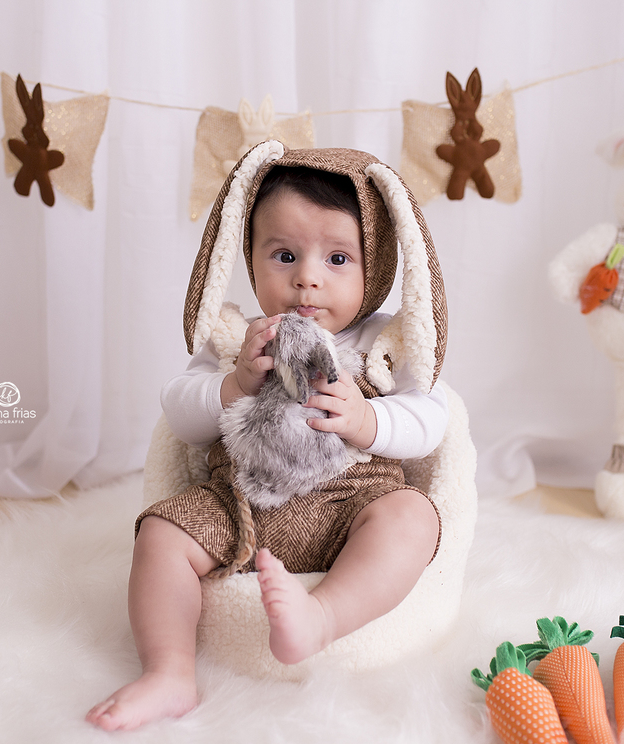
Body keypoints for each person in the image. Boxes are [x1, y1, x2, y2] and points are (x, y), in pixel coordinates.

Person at [87, 148, 448, 731]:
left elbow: (432, 416)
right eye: (284, 254)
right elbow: (179, 414)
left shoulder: (387, 342)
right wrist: (234, 384)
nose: (307, 276)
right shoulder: (236, 336)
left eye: (337, 258)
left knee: (415, 517)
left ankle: (320, 617)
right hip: (243, 506)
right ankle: (169, 671)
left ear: (376, 268)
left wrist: (367, 421)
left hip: (352, 505)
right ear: (248, 258)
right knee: (158, 533)